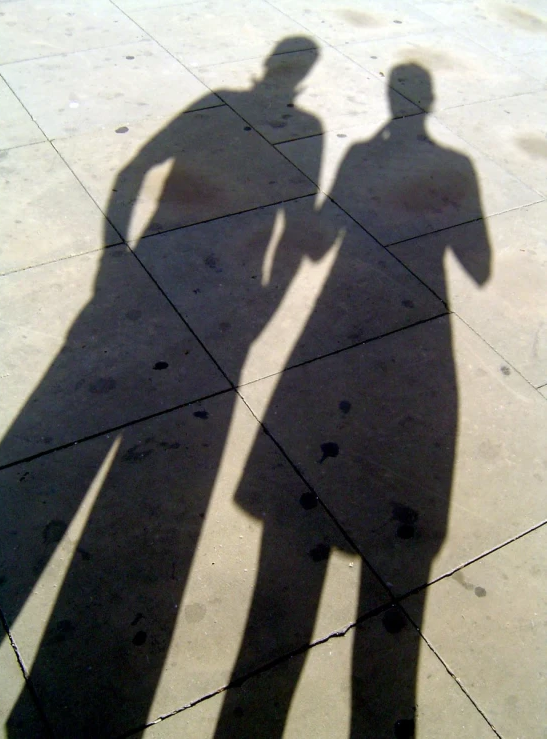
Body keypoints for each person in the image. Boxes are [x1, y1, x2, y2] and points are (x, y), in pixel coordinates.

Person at [0, 38, 327, 737]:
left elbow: (133, 169)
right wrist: (264, 307)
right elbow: (302, 231)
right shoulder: (304, 129)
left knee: (33, 471)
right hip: (223, 307)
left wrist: (114, 260)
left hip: (147, 281)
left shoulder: (221, 105)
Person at [212, 63, 491, 737]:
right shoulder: (455, 165)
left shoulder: (363, 154)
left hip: (335, 319)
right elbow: (478, 265)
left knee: (276, 593)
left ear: (390, 101)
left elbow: (320, 238)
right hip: (422, 339)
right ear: (427, 103)